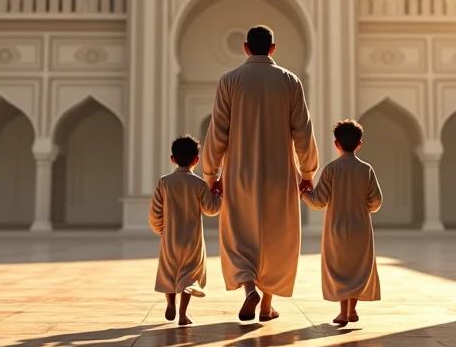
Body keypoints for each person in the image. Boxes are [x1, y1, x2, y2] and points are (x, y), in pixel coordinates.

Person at [202, 24, 318, 322]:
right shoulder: (289, 81)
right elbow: (303, 131)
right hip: (280, 173)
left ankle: (250, 286)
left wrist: (211, 175)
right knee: (277, 236)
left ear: (245, 48)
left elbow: (218, 133)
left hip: (239, 171)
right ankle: (267, 305)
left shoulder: (230, 80)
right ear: (273, 48)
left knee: (240, 233)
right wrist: (307, 171)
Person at [301, 118, 383, 325]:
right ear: (359, 144)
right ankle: (352, 309)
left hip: (336, 228)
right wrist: (366, 208)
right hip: (361, 228)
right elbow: (376, 201)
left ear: (336, 144)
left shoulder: (330, 169)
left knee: (340, 269)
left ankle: (343, 312)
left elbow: (318, 201)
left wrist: (303, 194)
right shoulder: (366, 169)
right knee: (357, 268)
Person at [148, 134, 221, 325]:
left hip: (170, 237)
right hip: (192, 240)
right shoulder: (199, 183)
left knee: (169, 272)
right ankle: (183, 313)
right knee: (188, 276)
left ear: (173, 159)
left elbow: (155, 213)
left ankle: (170, 303)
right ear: (196, 160)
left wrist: (161, 231)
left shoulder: (164, 182)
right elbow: (211, 209)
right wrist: (219, 194)